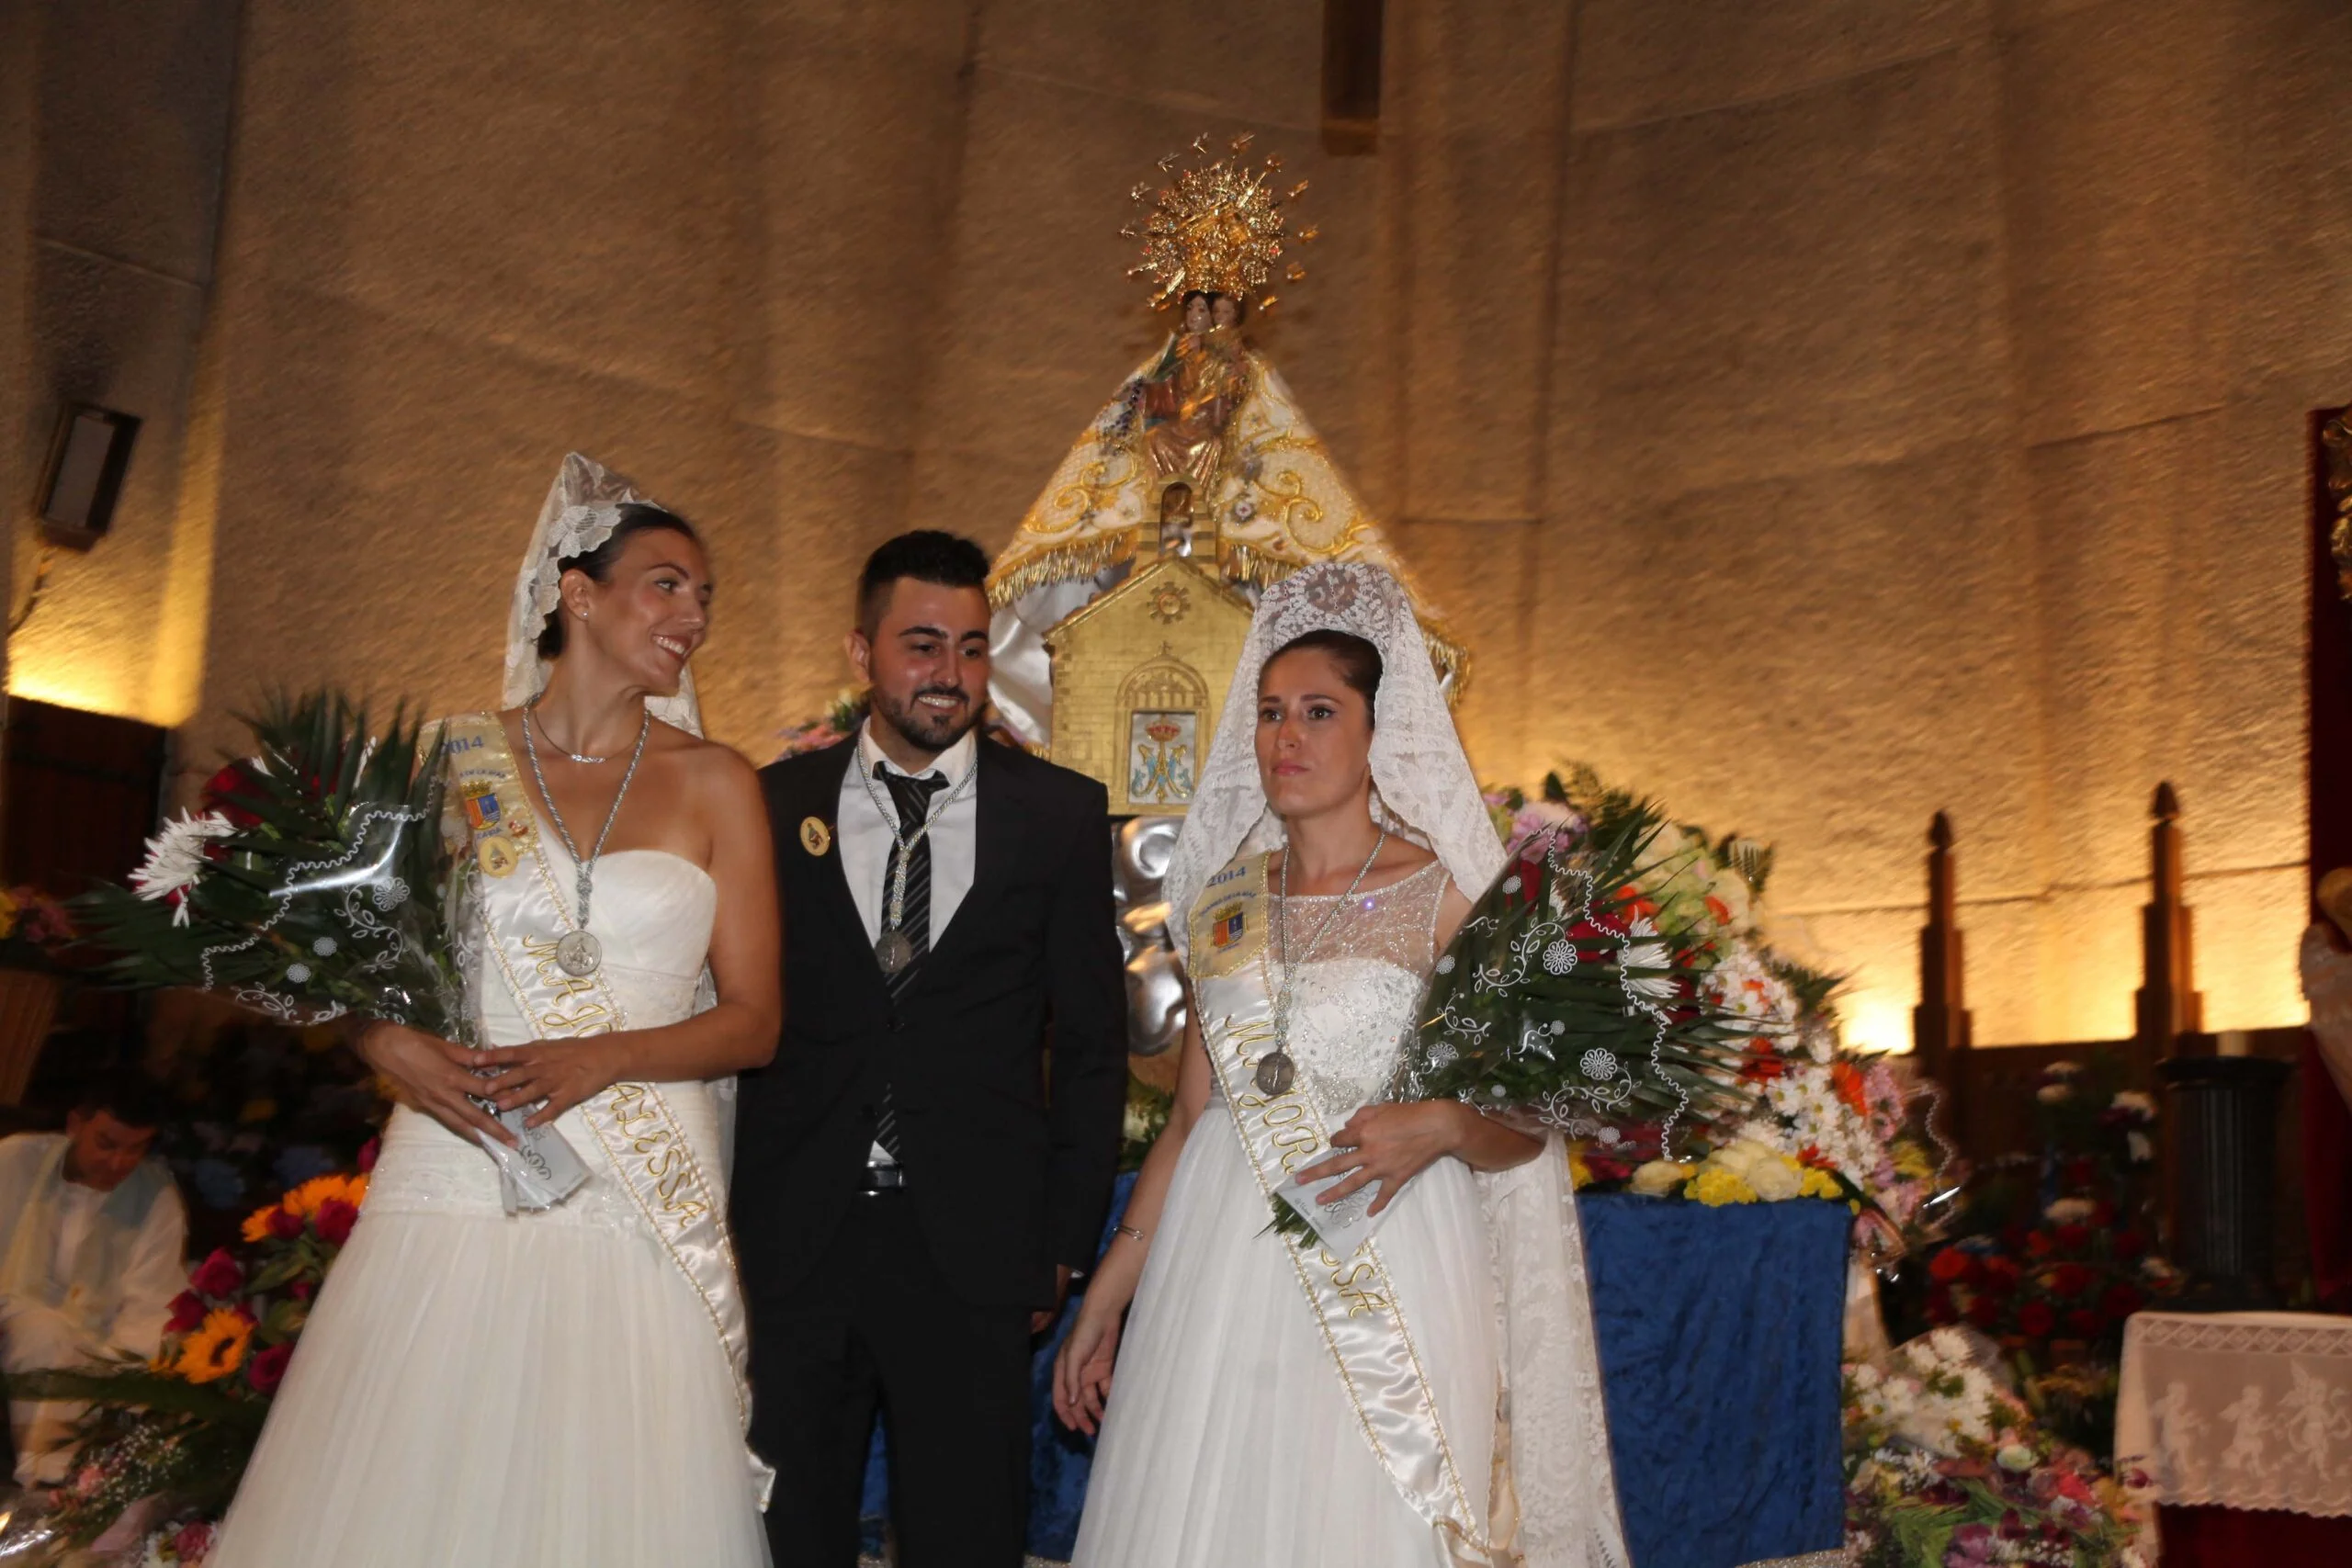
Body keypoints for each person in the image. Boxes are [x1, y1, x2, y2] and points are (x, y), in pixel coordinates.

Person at [207, 454, 780, 1566]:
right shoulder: (450, 764)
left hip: (636, 1171)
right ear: (578, 593)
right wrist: (383, 1044)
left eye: (704, 596)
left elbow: (754, 1020)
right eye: (667, 584)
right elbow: (357, 970)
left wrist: (599, 1057)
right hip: (459, 1155)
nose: (694, 616)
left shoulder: (720, 781)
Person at [1054, 560, 1628, 1568]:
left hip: (1388, 1255)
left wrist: (1445, 1123)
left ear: (1381, 732)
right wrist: (1109, 1289)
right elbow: (1193, 1121)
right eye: (1271, 712)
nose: (1287, 737)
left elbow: (1527, 1125)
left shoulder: (1448, 897)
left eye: (1319, 712)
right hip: (1213, 1262)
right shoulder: (1224, 902)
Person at [740, 530, 1125, 1568]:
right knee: (788, 1532)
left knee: (966, 1534)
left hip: (973, 1250)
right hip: (797, 1240)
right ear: (861, 654)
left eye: (967, 646)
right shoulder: (769, 809)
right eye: (920, 645)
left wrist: (1060, 1240)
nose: (947, 674)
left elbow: (1091, 1047)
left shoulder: (1057, 814)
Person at [0, 1067, 186, 1484]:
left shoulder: (156, 1197)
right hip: (11, 1320)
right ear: (75, 1124)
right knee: (43, 1332)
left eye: (136, 1149)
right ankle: (47, 1483)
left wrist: (117, 1373)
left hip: (96, 1348)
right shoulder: (13, 1161)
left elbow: (153, 1304)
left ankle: (85, 1494)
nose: (118, 1162)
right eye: (106, 1144)